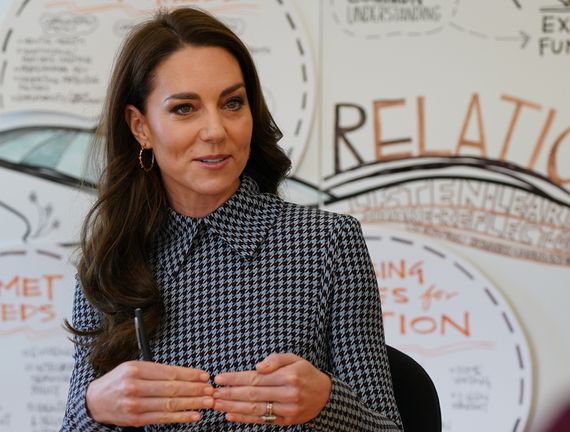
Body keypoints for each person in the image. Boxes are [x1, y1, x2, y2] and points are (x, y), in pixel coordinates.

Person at [61, 7, 402, 432]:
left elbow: (388, 427)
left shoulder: (328, 243)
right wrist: (95, 408)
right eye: (185, 108)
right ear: (140, 126)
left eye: (232, 103)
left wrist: (327, 404)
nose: (216, 130)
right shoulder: (111, 261)